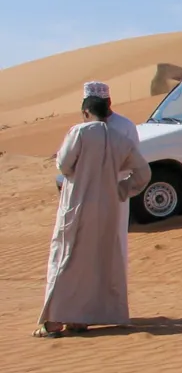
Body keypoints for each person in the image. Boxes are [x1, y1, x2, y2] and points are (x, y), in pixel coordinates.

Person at [34, 95, 151, 338]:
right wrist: (121, 189)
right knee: (97, 263)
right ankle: (81, 319)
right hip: (108, 210)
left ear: (86, 112)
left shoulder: (79, 132)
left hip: (77, 207)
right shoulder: (120, 139)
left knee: (65, 259)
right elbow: (143, 173)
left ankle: (54, 321)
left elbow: (64, 165)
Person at [82, 81, 140, 277]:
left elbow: (135, 161)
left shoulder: (125, 126)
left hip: (116, 190)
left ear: (109, 102)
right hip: (90, 193)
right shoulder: (84, 129)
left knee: (116, 238)